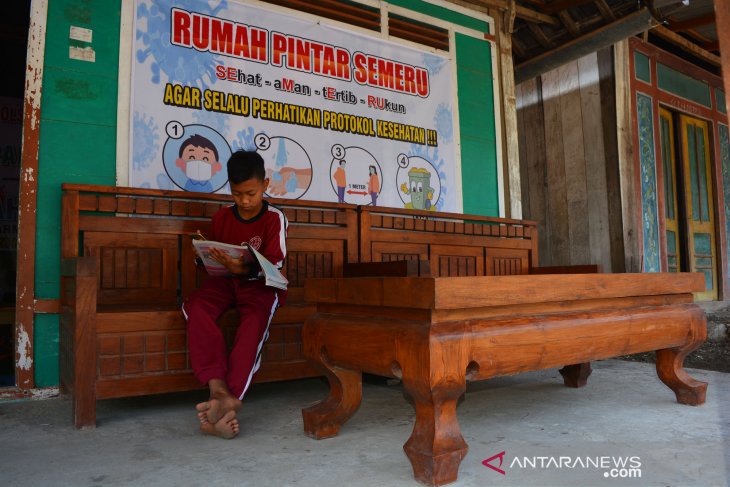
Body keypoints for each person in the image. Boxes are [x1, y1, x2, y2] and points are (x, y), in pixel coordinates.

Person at [182, 150, 288, 439]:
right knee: (196, 306)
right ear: (230, 187)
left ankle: (227, 406)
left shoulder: (274, 219)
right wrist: (205, 256)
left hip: (260, 287)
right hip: (225, 283)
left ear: (265, 185)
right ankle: (218, 391)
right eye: (238, 193)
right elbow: (211, 264)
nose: (244, 200)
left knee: (253, 321)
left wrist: (243, 267)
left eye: (251, 193)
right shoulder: (222, 217)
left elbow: (275, 265)